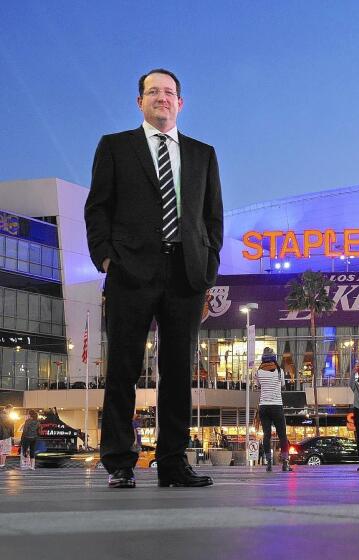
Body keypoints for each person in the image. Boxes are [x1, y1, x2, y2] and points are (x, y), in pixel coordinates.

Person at [85, 68, 222, 489]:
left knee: (179, 371)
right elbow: (98, 207)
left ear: (180, 102)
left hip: (185, 274)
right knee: (124, 368)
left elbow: (212, 217)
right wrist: (106, 258)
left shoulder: (202, 154)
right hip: (131, 271)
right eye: (153, 91)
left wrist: (207, 265)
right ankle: (121, 461)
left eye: (169, 92)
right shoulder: (115, 147)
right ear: (139, 101)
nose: (161, 98)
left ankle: (172, 462)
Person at [255, 347, 292, 472]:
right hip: (277, 406)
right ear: (274, 358)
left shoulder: (258, 372)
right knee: (282, 435)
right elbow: (282, 386)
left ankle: (269, 462)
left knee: (266, 435)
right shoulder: (279, 371)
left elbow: (258, 385)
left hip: (264, 407)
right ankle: (285, 463)